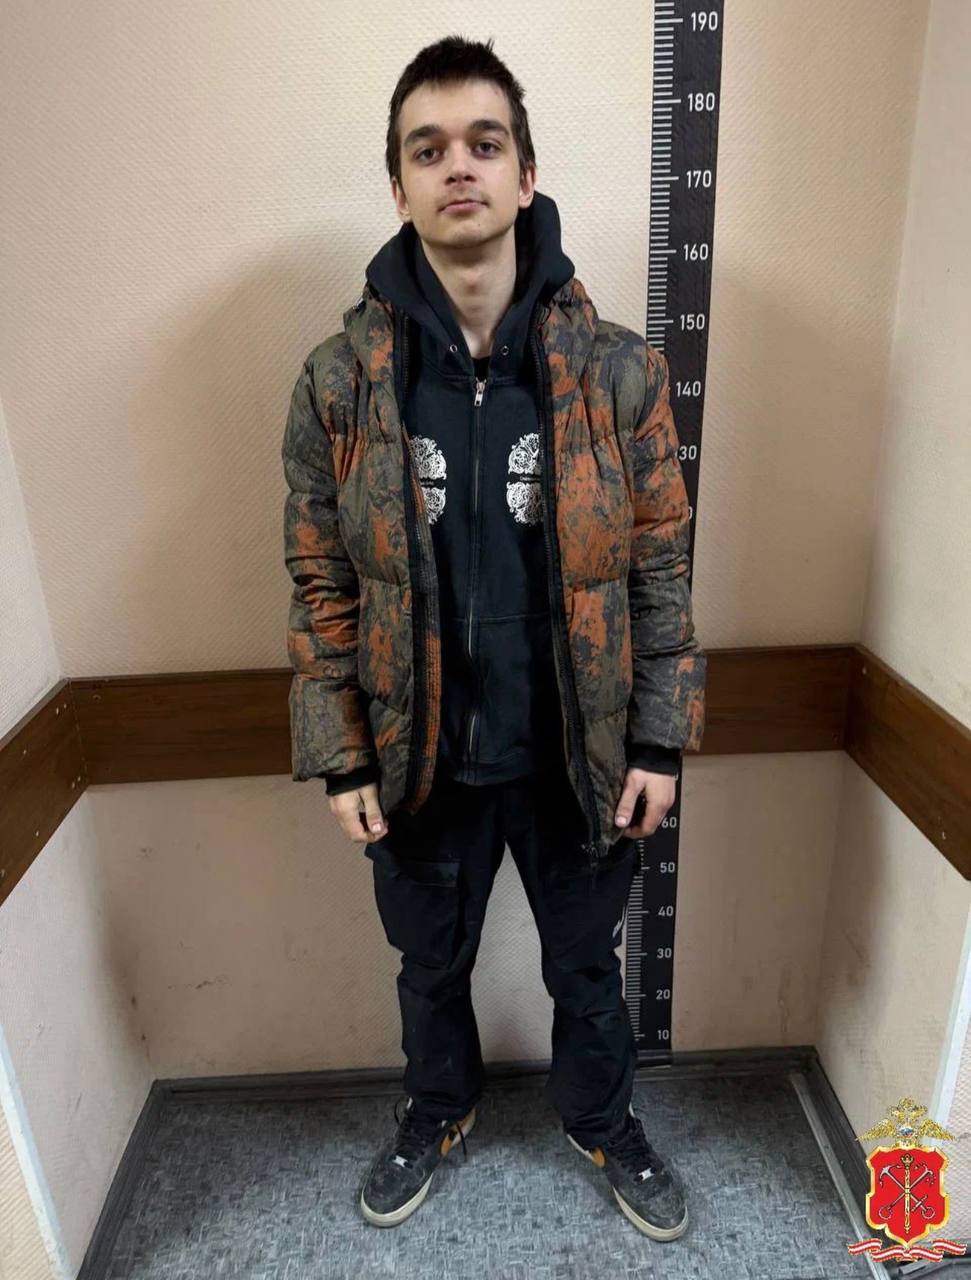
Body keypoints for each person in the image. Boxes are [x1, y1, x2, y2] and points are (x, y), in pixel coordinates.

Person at [281, 35, 707, 1241]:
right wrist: (343, 755)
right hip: (416, 758)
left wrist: (658, 742)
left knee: (586, 969)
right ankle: (437, 1105)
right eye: (427, 150)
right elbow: (318, 578)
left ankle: (603, 1120)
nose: (456, 166)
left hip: (573, 756)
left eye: (483, 142)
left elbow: (659, 569)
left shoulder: (617, 374)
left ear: (526, 175)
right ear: (399, 186)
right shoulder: (338, 384)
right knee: (427, 969)